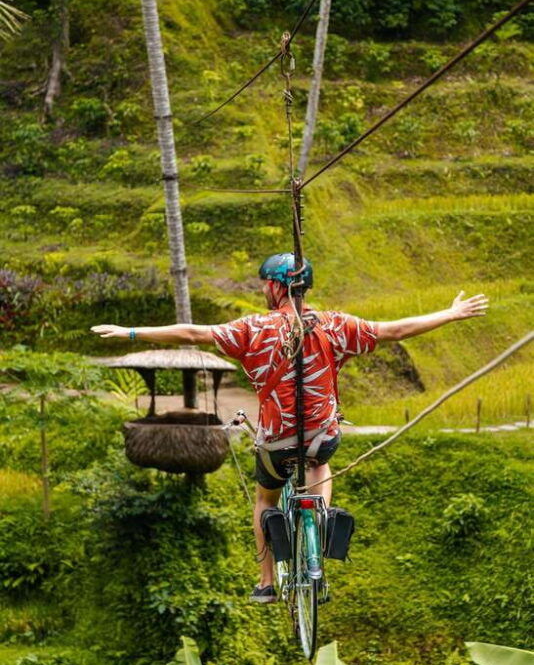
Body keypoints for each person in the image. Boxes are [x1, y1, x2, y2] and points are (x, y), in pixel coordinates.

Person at [91, 252, 489, 603]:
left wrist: (130, 332)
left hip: (277, 442)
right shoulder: (336, 325)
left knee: (265, 501)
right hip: (321, 436)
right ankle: (321, 516)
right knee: (320, 462)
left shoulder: (252, 328)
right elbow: (396, 329)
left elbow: (194, 333)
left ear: (276, 287)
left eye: (266, 284)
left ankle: (266, 582)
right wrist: (451, 314)